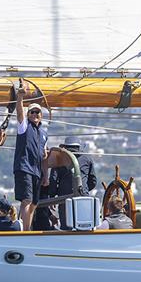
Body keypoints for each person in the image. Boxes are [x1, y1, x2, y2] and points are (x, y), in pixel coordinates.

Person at [13, 83, 48, 230]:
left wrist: (45, 176)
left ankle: (28, 228)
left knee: (34, 202)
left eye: (37, 112)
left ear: (41, 115)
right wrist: (20, 96)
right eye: (32, 112)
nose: (34, 114)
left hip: (36, 171)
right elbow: (19, 113)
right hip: (24, 167)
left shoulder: (44, 134)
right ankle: (26, 232)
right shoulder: (24, 126)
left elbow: (44, 155)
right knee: (26, 200)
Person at [52, 136, 97, 230]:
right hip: (83, 198)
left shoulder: (59, 158)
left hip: (64, 198)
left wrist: (53, 195)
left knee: (66, 227)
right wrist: (84, 190)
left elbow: (53, 179)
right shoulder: (87, 159)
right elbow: (93, 181)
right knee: (84, 227)